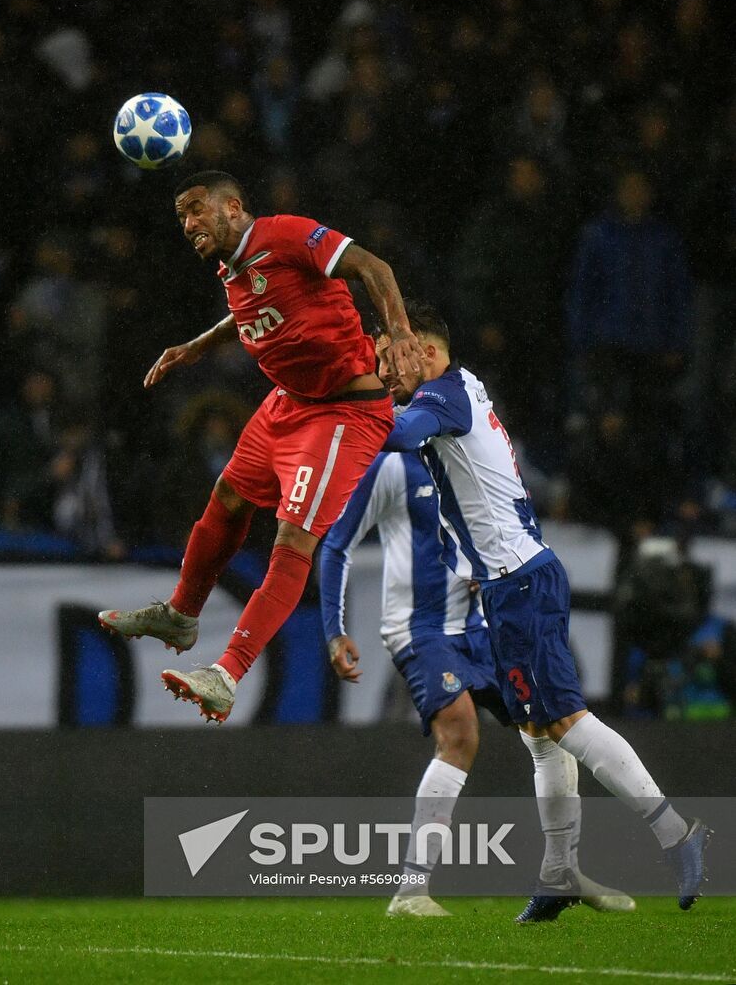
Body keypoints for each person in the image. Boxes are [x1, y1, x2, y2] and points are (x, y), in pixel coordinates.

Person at [376, 300, 712, 916]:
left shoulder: (444, 397)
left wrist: (339, 403)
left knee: (563, 723)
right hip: (512, 584)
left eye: (390, 356)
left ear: (425, 350)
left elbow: (395, 433)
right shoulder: (461, 385)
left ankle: (677, 835)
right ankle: (559, 870)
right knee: (538, 737)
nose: (383, 370)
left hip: (520, 584)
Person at [98, 170, 423, 722]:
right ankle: (182, 613)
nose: (188, 223)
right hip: (286, 404)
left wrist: (404, 335)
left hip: (341, 412)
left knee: (292, 540)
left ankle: (226, 674)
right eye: (181, 216)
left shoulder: (286, 235)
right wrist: (196, 346)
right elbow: (253, 311)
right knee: (226, 497)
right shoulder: (235, 269)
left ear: (233, 206)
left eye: (197, 209)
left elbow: (375, 267)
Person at [320, 442, 634, 919]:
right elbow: (337, 543)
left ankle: (562, 869)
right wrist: (333, 628)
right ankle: (410, 891)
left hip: (478, 627)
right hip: (418, 629)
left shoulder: (473, 463)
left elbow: (516, 529)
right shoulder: (393, 467)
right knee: (460, 732)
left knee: (549, 725)